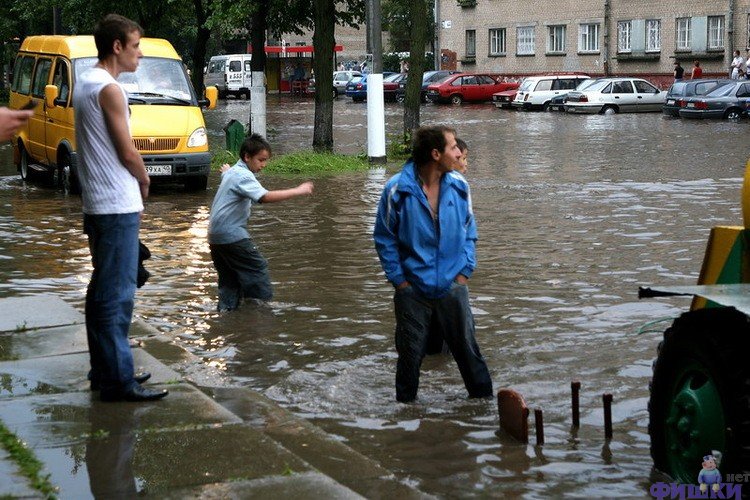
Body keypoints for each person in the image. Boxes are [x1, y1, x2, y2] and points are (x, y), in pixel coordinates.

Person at [75, 14, 167, 402]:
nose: (140, 54)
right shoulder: (110, 89)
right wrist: (145, 179)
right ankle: (118, 381)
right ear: (117, 47)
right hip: (116, 203)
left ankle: (106, 370)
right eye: (135, 46)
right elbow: (127, 150)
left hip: (98, 203)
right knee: (117, 295)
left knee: (102, 291)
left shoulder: (85, 81)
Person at [373, 125, 493, 403]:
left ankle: (484, 411)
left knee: (468, 353)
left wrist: (464, 272)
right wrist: (400, 282)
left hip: (453, 286)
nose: (458, 152)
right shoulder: (396, 190)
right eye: (453, 147)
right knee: (409, 358)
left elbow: (469, 230)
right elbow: (384, 238)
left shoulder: (460, 186)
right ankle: (406, 418)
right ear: (436, 154)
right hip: (412, 290)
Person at [208, 134, 314, 311]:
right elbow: (264, 197)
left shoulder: (232, 172)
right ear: (247, 157)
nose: (263, 165)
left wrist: (226, 171)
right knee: (257, 268)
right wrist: (298, 190)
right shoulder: (242, 176)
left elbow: (229, 176)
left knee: (229, 278)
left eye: (266, 160)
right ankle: (260, 311)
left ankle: (227, 314)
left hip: (215, 236)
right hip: (231, 234)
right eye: (261, 160)